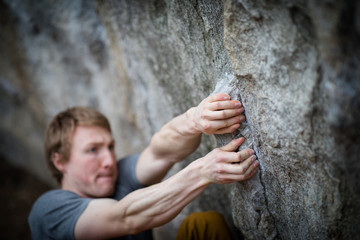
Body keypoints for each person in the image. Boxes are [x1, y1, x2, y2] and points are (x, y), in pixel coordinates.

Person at [28, 93, 259, 240]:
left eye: (110, 147)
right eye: (92, 150)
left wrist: (195, 120)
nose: (109, 160)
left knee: (202, 226)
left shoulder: (116, 178)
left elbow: (161, 152)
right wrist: (202, 172)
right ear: (60, 161)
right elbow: (124, 218)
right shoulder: (49, 211)